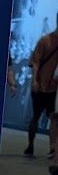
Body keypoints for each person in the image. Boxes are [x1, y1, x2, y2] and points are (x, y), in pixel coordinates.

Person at [25, 17, 58, 156]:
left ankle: (52, 147)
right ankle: (31, 144)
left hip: (52, 87)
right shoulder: (45, 41)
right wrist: (34, 81)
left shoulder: (46, 40)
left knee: (53, 117)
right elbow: (36, 62)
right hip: (41, 86)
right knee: (37, 116)